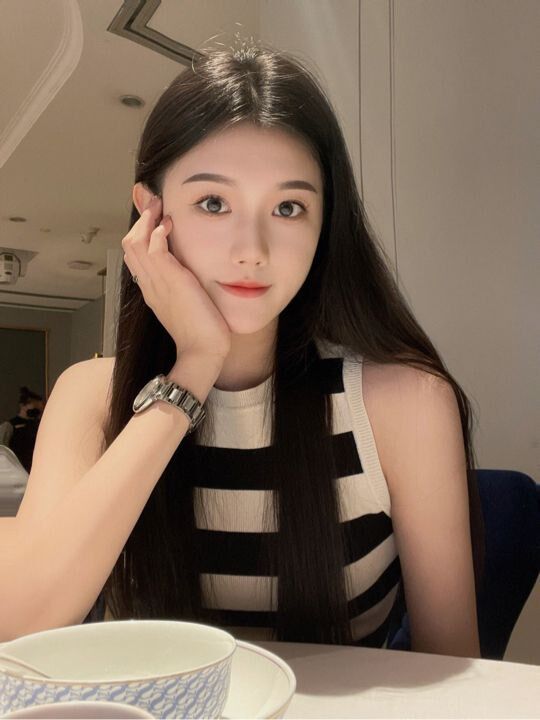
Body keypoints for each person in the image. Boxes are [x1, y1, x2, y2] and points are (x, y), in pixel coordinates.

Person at [0, 42, 484, 657]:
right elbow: (20, 621)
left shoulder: (402, 400)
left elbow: (451, 661)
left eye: (288, 207)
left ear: (324, 223)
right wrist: (194, 367)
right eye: (213, 203)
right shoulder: (91, 395)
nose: (251, 249)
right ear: (150, 213)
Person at [3, 387, 44, 473]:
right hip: (17, 469)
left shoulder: (39, 425)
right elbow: (3, 451)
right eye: (34, 407)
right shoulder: (9, 425)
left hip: (36, 468)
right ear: (22, 405)